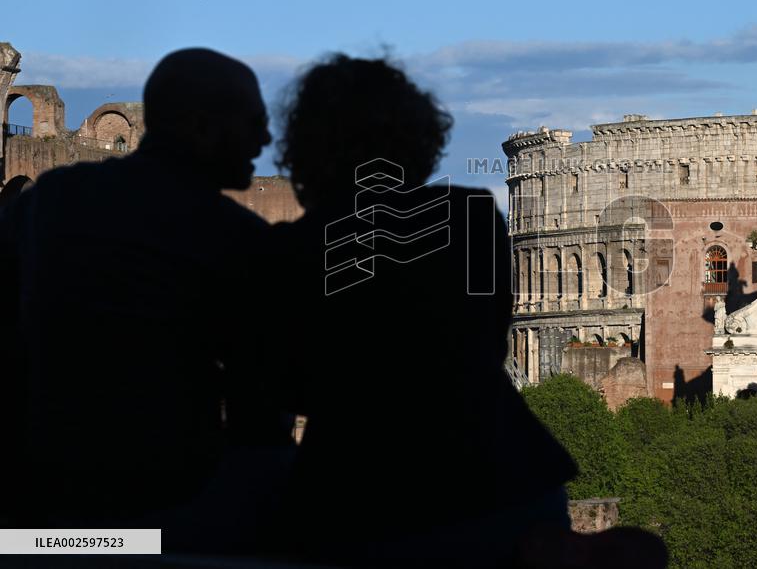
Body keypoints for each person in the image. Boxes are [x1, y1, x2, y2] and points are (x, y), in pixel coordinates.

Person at [266, 54, 666, 568]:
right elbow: (487, 338)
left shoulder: (293, 248)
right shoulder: (471, 218)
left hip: (359, 489)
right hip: (504, 479)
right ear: (420, 143)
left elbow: (288, 382)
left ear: (307, 150)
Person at [0, 48, 291, 549]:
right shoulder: (236, 238)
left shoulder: (53, 198)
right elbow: (262, 413)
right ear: (201, 126)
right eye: (253, 123)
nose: (264, 140)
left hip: (41, 494)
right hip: (167, 504)